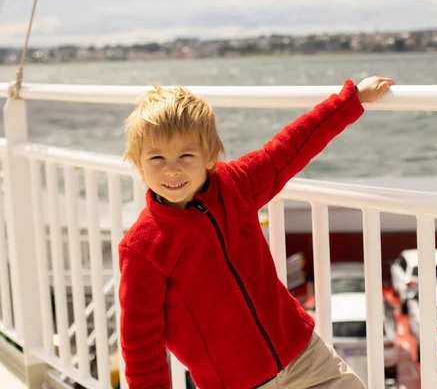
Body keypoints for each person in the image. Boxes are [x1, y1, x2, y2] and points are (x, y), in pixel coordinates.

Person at [118, 76, 395, 388]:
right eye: (157, 158)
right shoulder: (142, 247)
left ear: (210, 156)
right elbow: (140, 342)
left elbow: (289, 148)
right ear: (139, 165)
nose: (172, 169)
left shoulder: (235, 185)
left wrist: (351, 100)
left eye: (186, 156)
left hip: (303, 355)